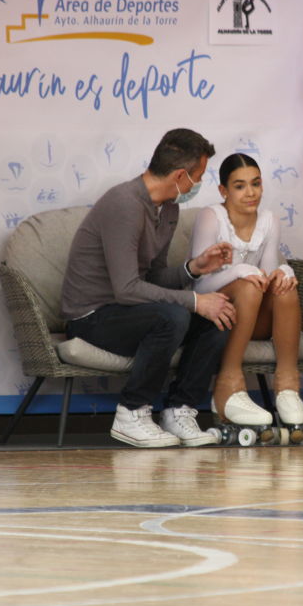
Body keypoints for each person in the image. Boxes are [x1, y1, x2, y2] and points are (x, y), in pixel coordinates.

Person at [60, 128, 237, 448]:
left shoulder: (169, 208)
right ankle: (131, 413)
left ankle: (178, 410)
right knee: (174, 316)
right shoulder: (124, 204)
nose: (198, 185)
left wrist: (193, 268)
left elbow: (151, 278)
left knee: (218, 316)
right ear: (181, 175)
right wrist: (195, 300)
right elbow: (127, 288)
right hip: (92, 316)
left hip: (128, 309)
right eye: (199, 176)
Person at [188, 153, 303, 429]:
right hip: (219, 317)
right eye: (240, 186)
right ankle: (228, 382)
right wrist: (238, 271)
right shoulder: (211, 216)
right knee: (249, 286)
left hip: (254, 317)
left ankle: (288, 385)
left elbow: (265, 274)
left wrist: (282, 272)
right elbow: (199, 284)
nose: (250, 193)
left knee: (282, 288)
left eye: (256, 184)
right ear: (224, 190)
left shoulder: (269, 220)